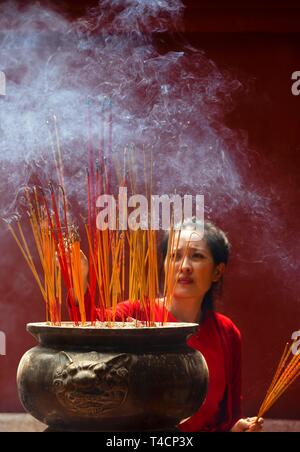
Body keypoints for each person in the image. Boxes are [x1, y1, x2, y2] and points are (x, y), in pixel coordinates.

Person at [81, 218, 264, 432]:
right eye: (175, 256)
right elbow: (88, 325)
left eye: (197, 256)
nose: (184, 267)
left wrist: (237, 428)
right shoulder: (137, 313)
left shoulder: (226, 332)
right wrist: (79, 282)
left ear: (217, 271)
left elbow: (229, 415)